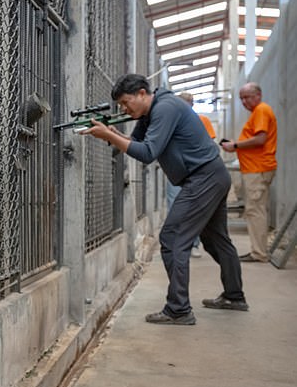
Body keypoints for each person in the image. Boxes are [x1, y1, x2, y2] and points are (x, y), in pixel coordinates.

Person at [83, 74, 247, 325]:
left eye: (127, 103)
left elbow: (148, 153)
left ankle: (179, 309)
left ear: (141, 93)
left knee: (172, 237)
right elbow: (137, 144)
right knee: (216, 240)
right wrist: (112, 133)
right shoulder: (149, 113)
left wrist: (110, 136)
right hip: (211, 176)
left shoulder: (165, 108)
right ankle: (234, 297)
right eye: (121, 106)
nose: (125, 109)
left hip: (203, 178)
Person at [221, 82, 277, 263]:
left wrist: (235, 145)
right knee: (255, 210)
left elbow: (260, 139)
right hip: (256, 167)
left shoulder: (261, 110)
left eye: (247, 97)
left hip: (258, 168)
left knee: (255, 211)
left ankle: (259, 253)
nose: (244, 102)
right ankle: (258, 250)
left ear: (258, 95)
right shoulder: (258, 112)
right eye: (241, 98)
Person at [166, 92, 218, 258]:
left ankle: (192, 243)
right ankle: (178, 243)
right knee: (175, 206)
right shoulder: (170, 120)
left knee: (193, 209)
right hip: (177, 171)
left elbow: (209, 145)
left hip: (196, 172)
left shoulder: (201, 120)